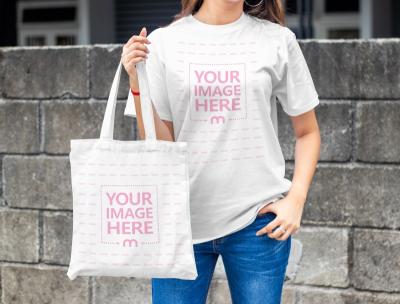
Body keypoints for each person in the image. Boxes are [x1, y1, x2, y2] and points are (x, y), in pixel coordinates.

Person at [121, 0, 321, 303]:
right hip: (180, 222)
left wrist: (296, 199)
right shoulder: (163, 43)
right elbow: (159, 145)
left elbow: (308, 132)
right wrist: (137, 82)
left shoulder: (277, 40)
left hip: (257, 222)